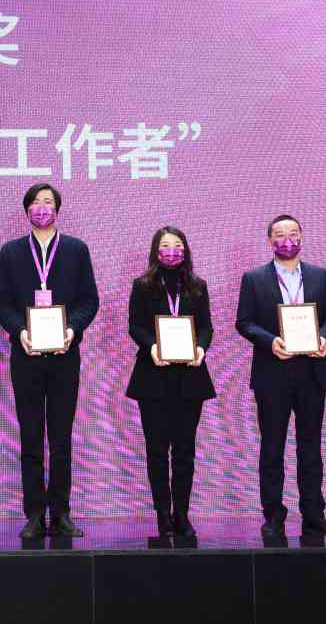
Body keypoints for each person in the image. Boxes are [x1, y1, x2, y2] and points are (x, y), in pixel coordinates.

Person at [0, 183, 99, 538]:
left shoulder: (76, 250)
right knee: (31, 437)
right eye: (36, 202)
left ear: (58, 209)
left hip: (65, 355)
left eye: (48, 202)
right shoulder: (11, 252)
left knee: (62, 438)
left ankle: (62, 512)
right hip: (26, 356)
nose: (42, 207)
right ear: (26, 210)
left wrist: (71, 329)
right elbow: (1, 302)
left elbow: (89, 300)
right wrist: (20, 330)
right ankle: (35, 514)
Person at [235, 215, 326, 537]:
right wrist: (271, 342)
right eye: (280, 234)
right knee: (272, 448)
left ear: (302, 237)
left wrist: (324, 337)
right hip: (272, 372)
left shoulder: (320, 275)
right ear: (270, 240)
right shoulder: (254, 278)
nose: (287, 239)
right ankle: (273, 516)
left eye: (293, 233)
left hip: (312, 371)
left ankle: (314, 514)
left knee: (311, 447)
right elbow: (244, 322)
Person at [126, 227, 215, 537]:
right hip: (153, 377)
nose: (172, 250)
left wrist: (201, 349)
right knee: (156, 450)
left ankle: (183, 515)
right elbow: (135, 325)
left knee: (185, 451)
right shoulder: (143, 286)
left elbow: (206, 327)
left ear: (186, 250)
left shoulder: (198, 286)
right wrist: (152, 347)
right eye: (165, 245)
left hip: (190, 377)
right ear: (155, 251)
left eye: (178, 245)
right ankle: (163, 514)